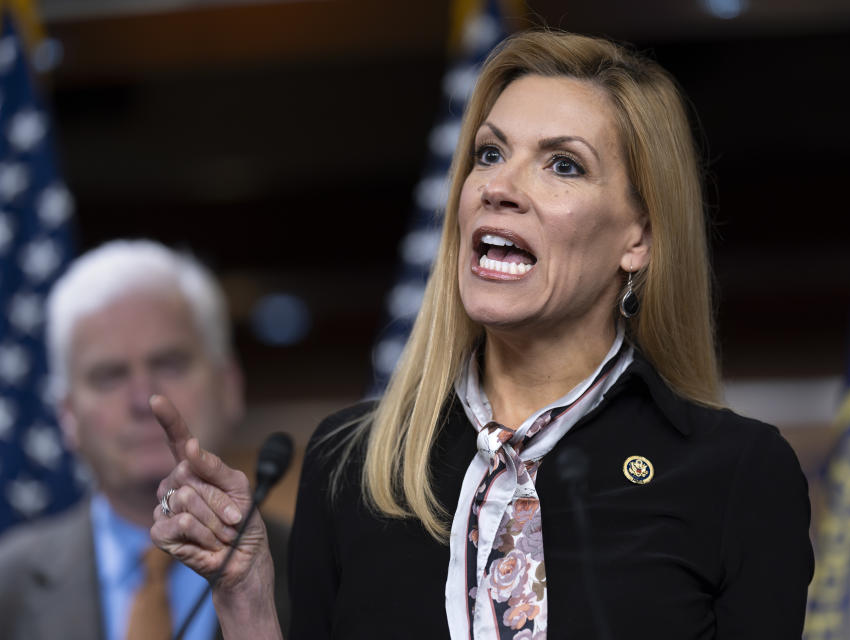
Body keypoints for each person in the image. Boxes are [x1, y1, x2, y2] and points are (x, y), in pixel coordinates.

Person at [149, 31, 814, 639]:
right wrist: (245, 599)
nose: (500, 186)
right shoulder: (352, 464)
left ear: (637, 237)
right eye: (490, 154)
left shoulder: (738, 476)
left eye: (563, 166)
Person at [0, 240, 289, 640]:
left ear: (229, 386)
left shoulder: (321, 569)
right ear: (67, 414)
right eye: (109, 375)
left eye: (169, 363)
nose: (143, 400)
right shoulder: (7, 585)